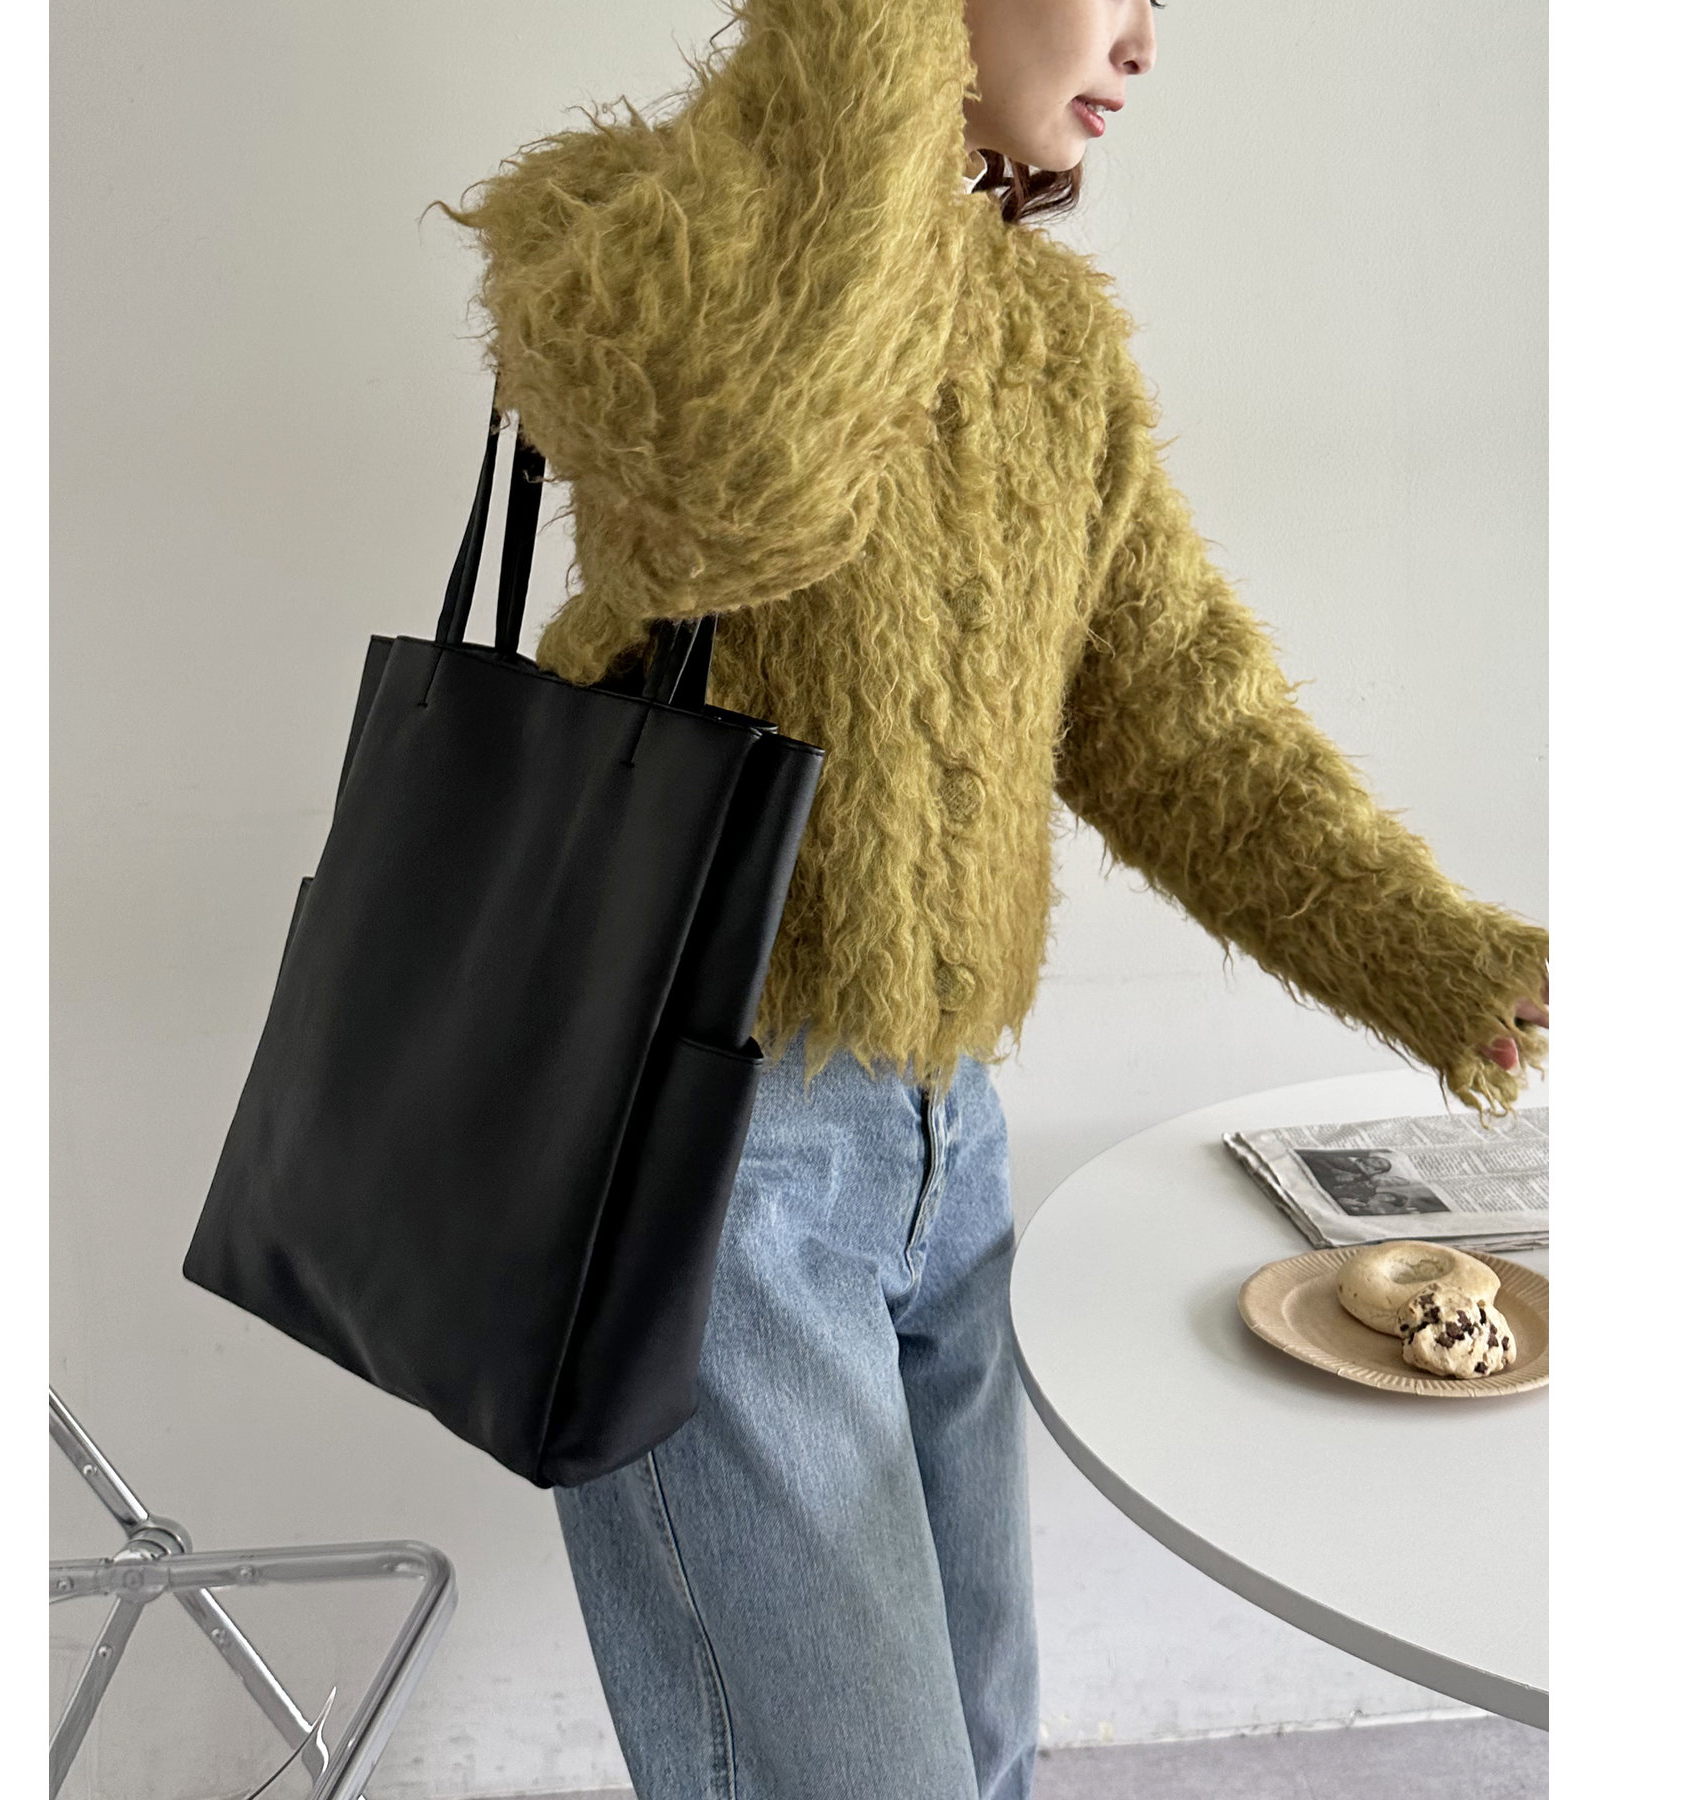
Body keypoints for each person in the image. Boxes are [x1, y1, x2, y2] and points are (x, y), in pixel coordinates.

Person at [433, 3, 1550, 1795]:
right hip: (701, 1142)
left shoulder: (1049, 339)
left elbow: (1178, 716)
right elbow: (736, 481)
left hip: (944, 1136)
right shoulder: (619, 224)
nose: (1145, 39)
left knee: (983, 1746)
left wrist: (1444, 957)